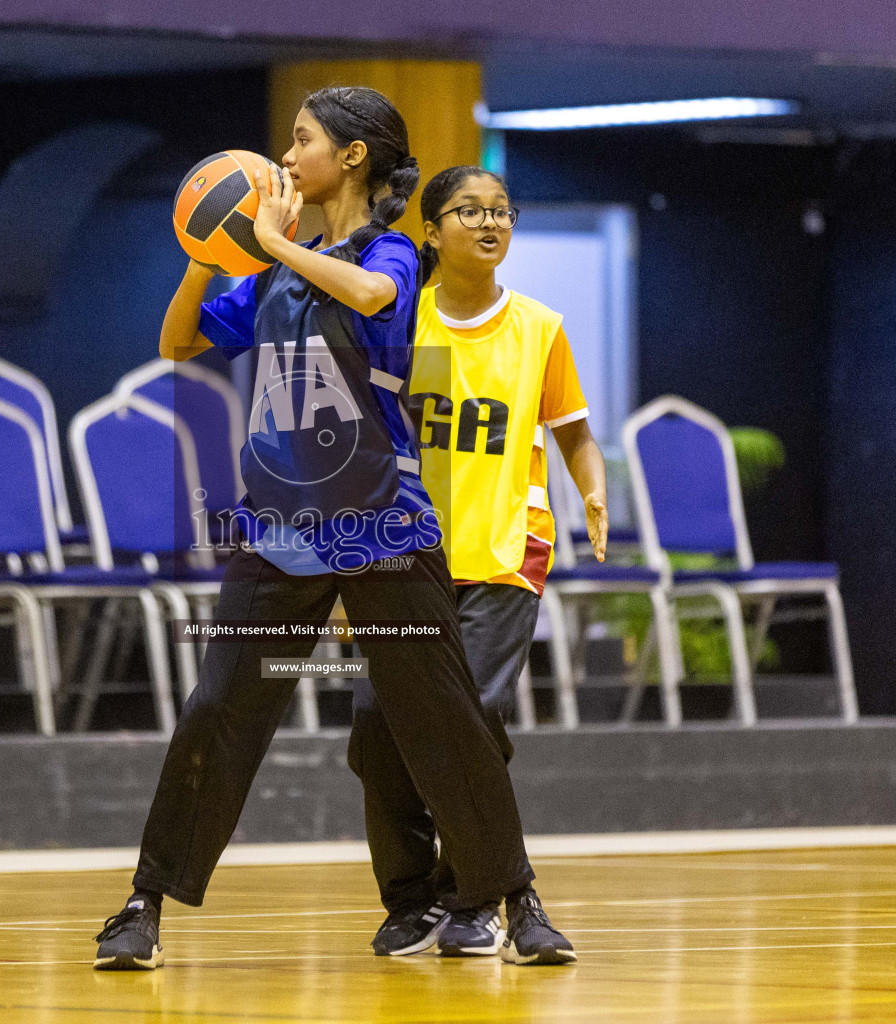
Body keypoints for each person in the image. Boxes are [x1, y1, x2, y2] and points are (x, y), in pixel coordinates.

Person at [94, 86, 562, 970]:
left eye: (301, 140)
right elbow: (178, 340)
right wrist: (207, 251)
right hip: (278, 532)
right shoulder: (273, 270)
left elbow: (375, 292)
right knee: (215, 712)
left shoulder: (393, 252)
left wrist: (272, 244)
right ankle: (143, 904)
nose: (287, 155)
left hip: (384, 528)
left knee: (445, 720)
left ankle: (514, 897)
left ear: (350, 157)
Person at [347, 166, 601, 963]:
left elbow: (573, 432)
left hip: (501, 553)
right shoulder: (400, 325)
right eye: (470, 211)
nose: (491, 224)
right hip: (402, 558)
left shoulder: (538, 328)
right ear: (431, 231)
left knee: (469, 717)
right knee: (372, 726)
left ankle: (472, 901)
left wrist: (592, 492)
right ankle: (410, 900)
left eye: (502, 212)